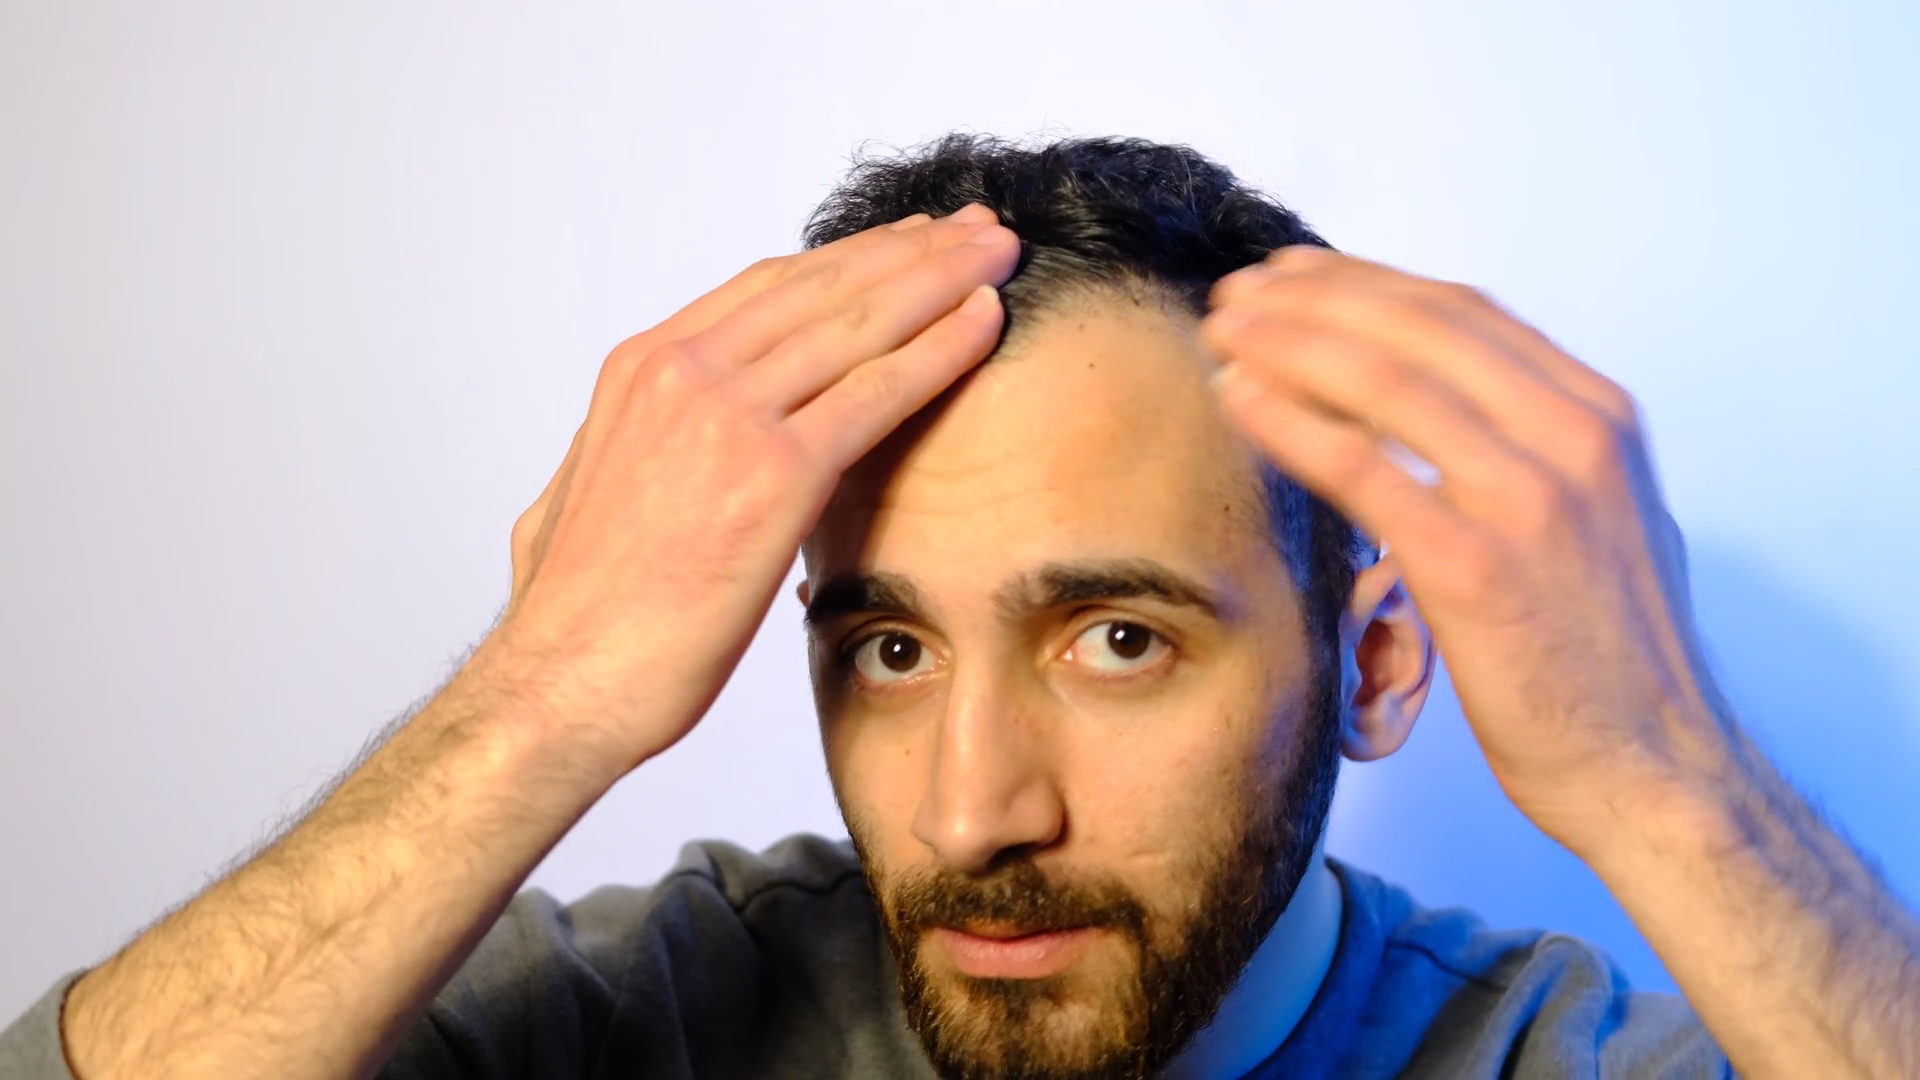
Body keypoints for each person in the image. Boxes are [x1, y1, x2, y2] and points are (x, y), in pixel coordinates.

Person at [2, 134, 1916, 1080]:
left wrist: (1666, 782)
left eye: (1118, 639)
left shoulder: (1560, 1059)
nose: (974, 809)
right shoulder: (654, 1009)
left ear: (1376, 659)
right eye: (889, 649)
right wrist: (537, 704)